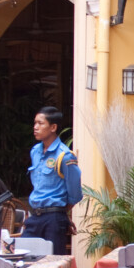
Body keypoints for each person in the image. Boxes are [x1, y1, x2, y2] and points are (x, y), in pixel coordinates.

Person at [22, 107, 81, 255]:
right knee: (24, 259)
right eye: (35, 123)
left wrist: (61, 213)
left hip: (53, 219)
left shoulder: (65, 156)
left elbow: (75, 192)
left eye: (40, 123)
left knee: (53, 263)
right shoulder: (35, 151)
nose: (35, 127)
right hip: (34, 217)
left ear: (53, 127)